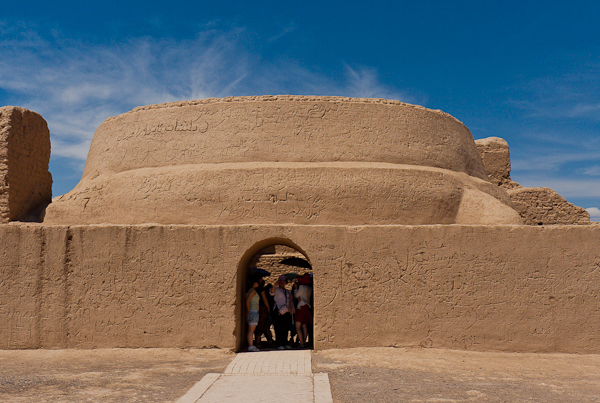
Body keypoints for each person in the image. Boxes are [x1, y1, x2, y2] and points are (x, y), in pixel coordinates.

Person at [270, 275, 294, 349]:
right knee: (278, 328)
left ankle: (285, 343)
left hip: (286, 311)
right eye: (281, 280)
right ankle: (279, 344)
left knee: (285, 327)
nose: (282, 282)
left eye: (283, 280)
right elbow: (271, 293)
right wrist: (275, 284)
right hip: (278, 311)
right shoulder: (276, 289)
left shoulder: (287, 291)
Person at [293, 273, 313, 348]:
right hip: (307, 307)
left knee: (298, 327)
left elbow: (296, 295)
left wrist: (295, 289)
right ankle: (304, 342)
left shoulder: (301, 287)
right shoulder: (309, 288)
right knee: (304, 326)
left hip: (301, 306)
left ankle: (301, 343)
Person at [254, 279, 273, 347]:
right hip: (262, 309)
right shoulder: (261, 289)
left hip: (255, 308)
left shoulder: (254, 289)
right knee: (261, 324)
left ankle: (257, 341)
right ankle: (258, 342)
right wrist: (268, 308)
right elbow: (264, 299)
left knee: (257, 325)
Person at [246, 276, 261, 352]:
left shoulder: (250, 290)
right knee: (251, 330)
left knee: (250, 330)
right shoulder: (253, 291)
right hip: (253, 312)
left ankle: (251, 345)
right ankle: (250, 346)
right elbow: (248, 301)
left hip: (252, 312)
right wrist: (248, 311)